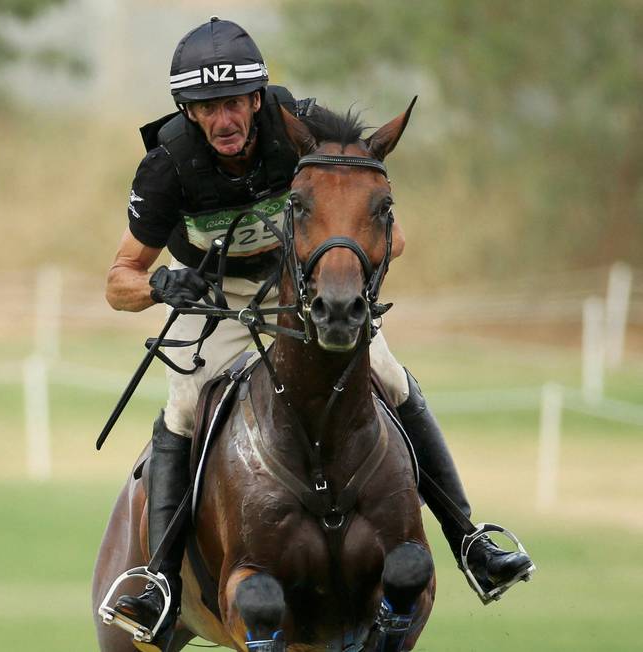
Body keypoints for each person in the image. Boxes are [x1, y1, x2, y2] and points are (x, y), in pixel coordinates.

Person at [103, 16, 534, 635]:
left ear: (256, 100)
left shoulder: (300, 130)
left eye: (232, 103)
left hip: (305, 292)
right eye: (206, 108)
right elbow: (117, 281)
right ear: (190, 114)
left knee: (390, 374)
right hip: (215, 296)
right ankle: (161, 581)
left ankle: (469, 540)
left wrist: (346, 264)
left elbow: (389, 229)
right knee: (183, 403)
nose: (223, 120)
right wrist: (158, 285)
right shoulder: (168, 164)